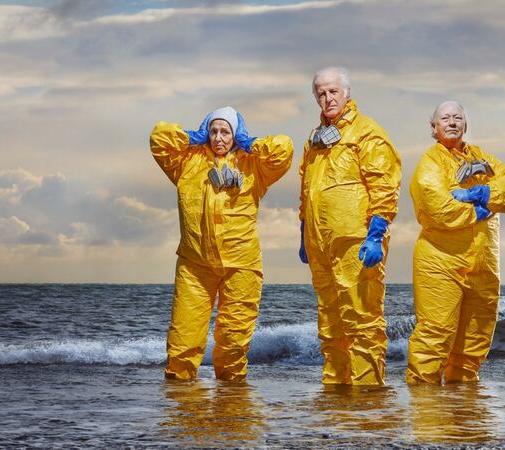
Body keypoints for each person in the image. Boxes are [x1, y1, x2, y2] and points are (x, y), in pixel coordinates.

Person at [150, 106, 293, 381]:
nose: (218, 138)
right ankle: (182, 410)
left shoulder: (253, 166)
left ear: (235, 134)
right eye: (213, 131)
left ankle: (232, 408)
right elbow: (159, 138)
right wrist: (192, 137)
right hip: (195, 265)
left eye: (225, 132)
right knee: (183, 342)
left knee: (233, 342)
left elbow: (283, 149)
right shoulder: (187, 163)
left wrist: (250, 143)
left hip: (241, 266)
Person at [298, 67, 402, 385]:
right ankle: (337, 390)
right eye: (321, 93)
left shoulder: (367, 133)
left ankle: (367, 396)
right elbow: (306, 191)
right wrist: (304, 232)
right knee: (330, 322)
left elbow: (384, 184)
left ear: (346, 93)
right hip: (321, 244)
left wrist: (376, 232)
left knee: (361, 318)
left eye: (332, 92)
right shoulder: (315, 141)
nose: (327, 98)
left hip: (356, 241)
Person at [406, 101, 505, 384]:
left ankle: (464, 414)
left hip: (483, 262)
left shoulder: (481, 158)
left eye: (458, 117)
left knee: (475, 340)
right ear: (434, 128)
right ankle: (426, 413)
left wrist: (481, 193)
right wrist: (481, 210)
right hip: (440, 262)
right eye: (445, 118)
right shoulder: (430, 162)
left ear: (466, 125)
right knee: (435, 335)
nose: (452, 122)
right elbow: (437, 207)